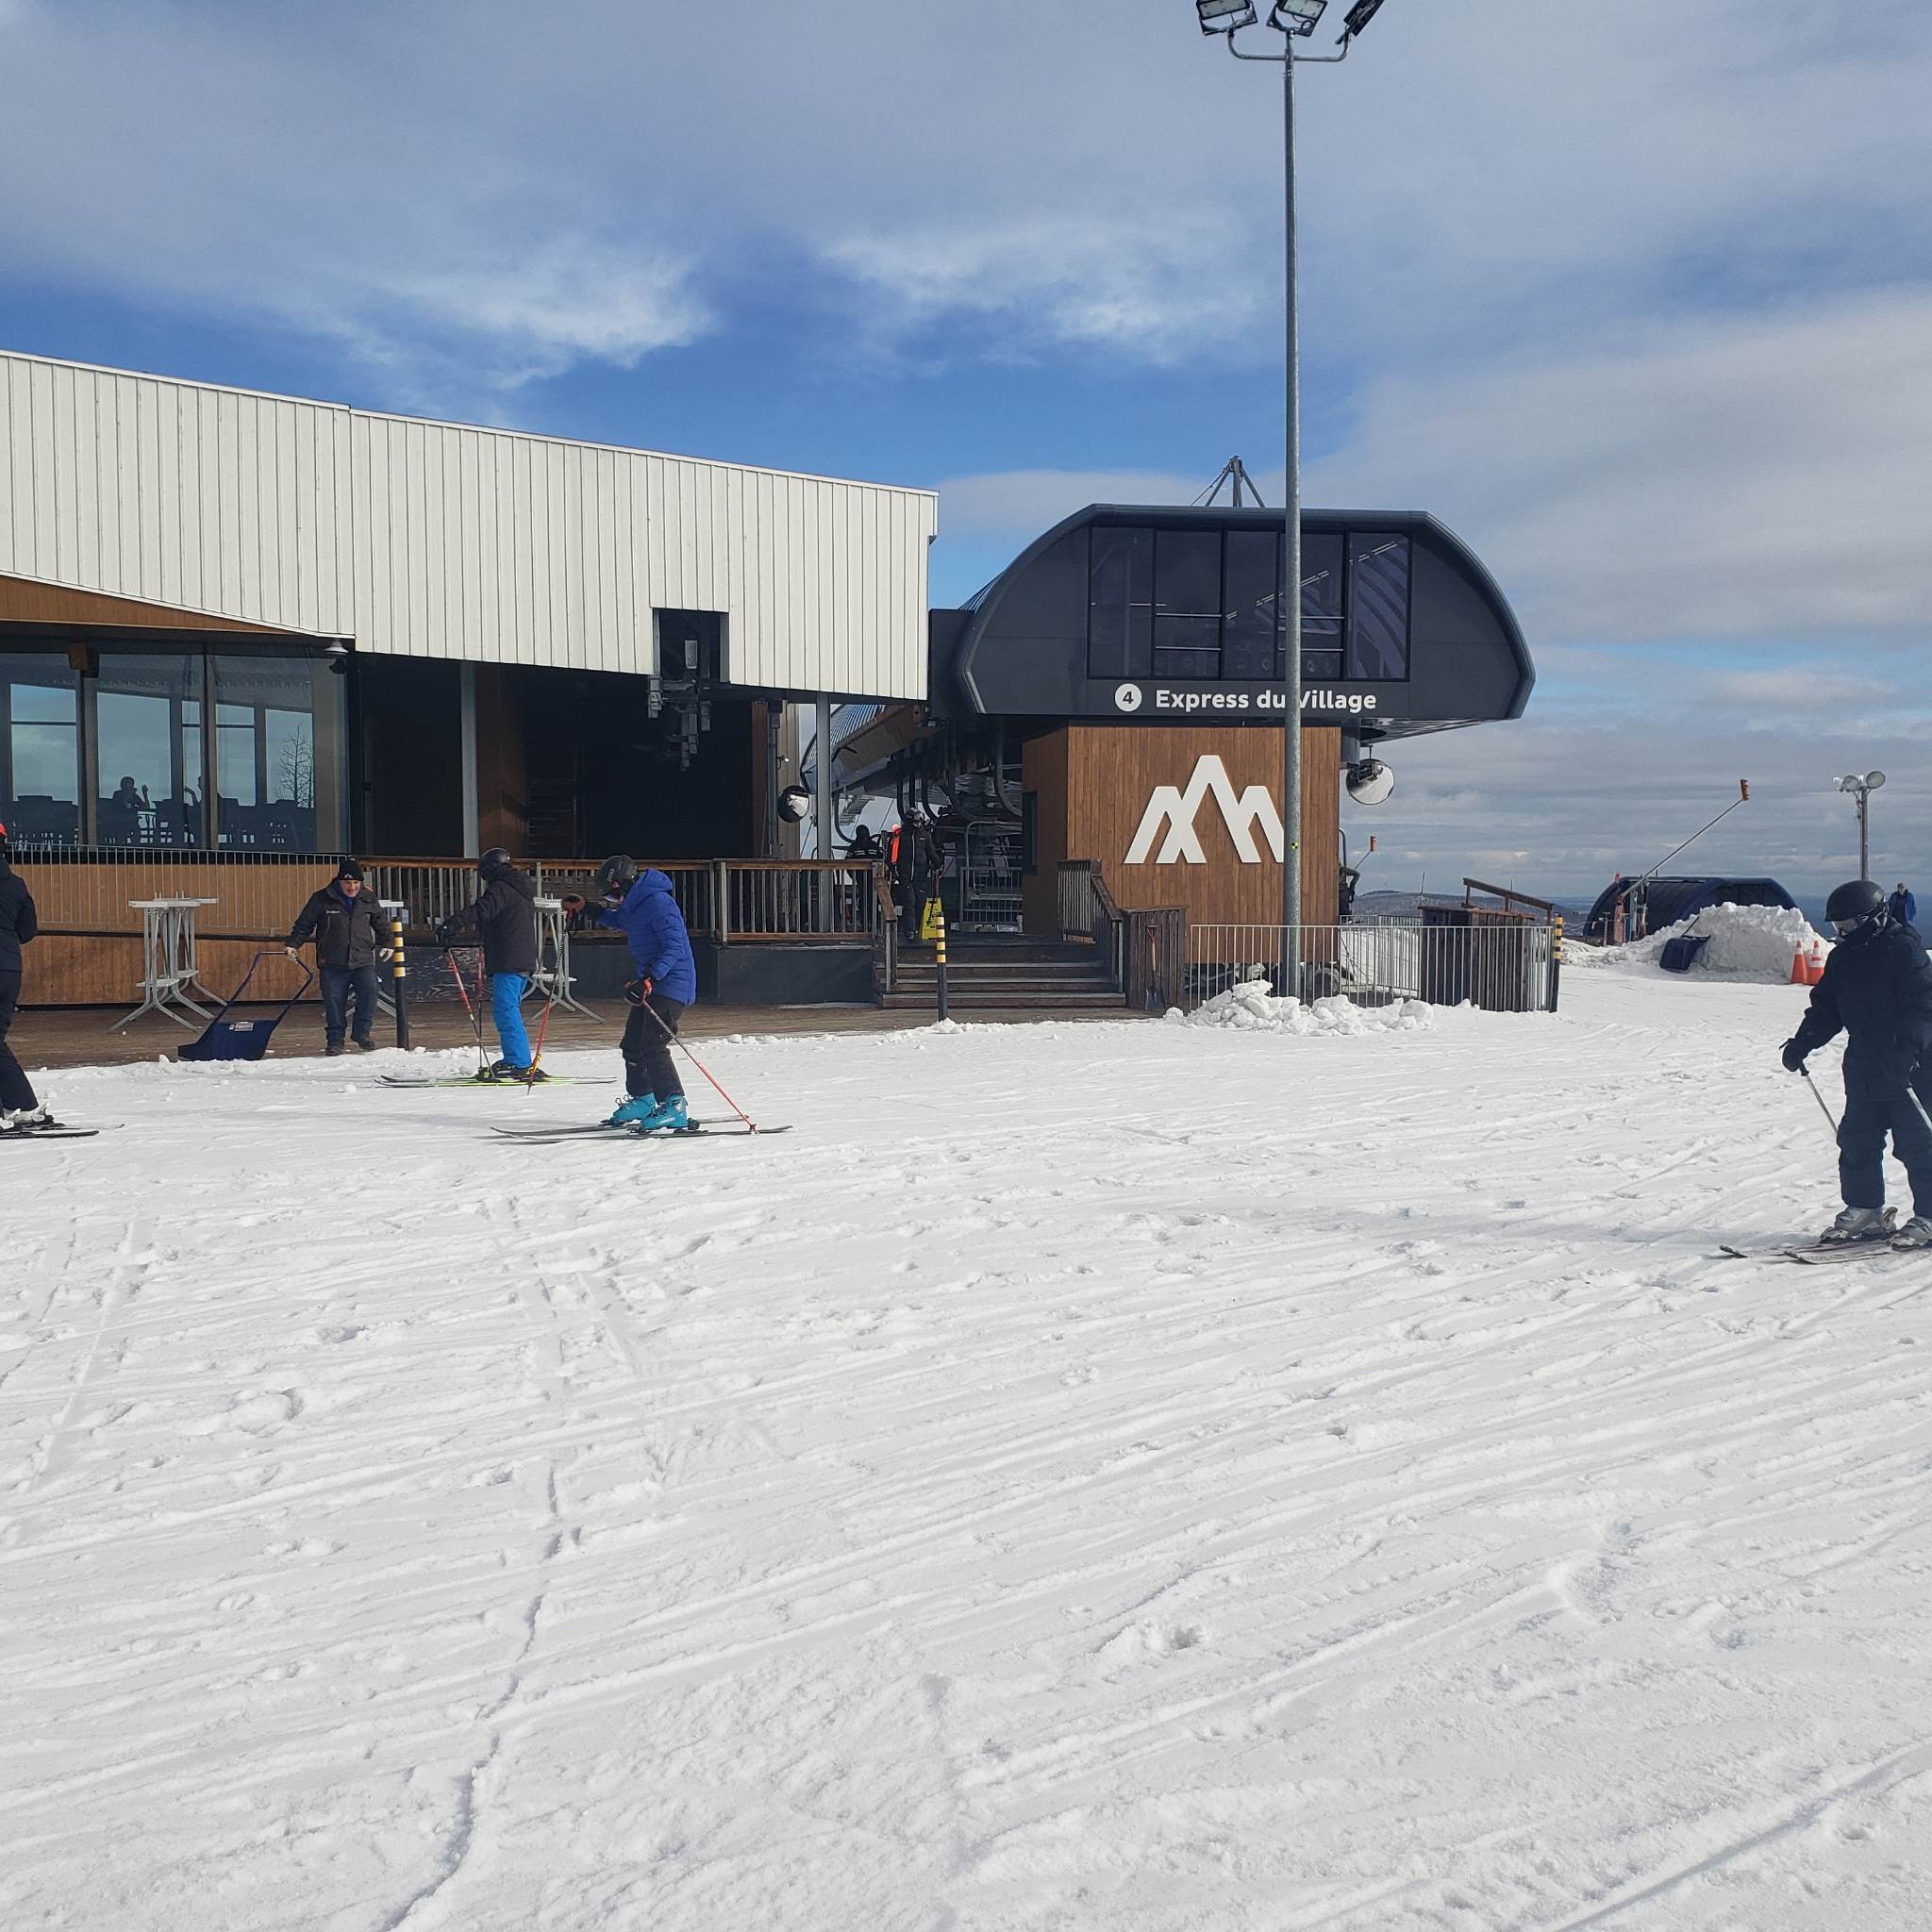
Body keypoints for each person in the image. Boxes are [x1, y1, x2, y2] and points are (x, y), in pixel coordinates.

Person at [1782, 877, 1932, 1248]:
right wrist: (1803, 1043)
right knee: (1856, 1140)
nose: (1842, 933)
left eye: (1848, 926)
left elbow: (1924, 1008)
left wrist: (1907, 1053)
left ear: (1874, 919)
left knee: (1917, 1143)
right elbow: (1828, 1008)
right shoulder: (1844, 956)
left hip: (1910, 1066)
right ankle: (1865, 1210)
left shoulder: (1905, 950)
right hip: (1864, 1062)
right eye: (1837, 927)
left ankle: (1929, 1214)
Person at [565, 854, 697, 1131]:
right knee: (632, 1044)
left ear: (620, 885)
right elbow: (620, 921)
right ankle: (643, 1099)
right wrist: (587, 908)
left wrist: (651, 977)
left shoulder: (659, 902)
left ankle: (675, 1105)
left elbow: (674, 946)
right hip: (652, 983)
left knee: (653, 1045)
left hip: (671, 983)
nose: (615, 902)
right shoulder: (636, 903)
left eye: (613, 897)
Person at [436, 846, 541, 1081]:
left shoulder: (502, 889)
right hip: (517, 958)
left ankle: (519, 1061)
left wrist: (452, 924)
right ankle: (518, 1058)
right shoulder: (516, 888)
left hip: (510, 960)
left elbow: (481, 910)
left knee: (506, 1010)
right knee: (508, 1008)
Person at [286, 859, 391, 1056]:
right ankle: (335, 1041)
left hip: (362, 960)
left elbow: (381, 924)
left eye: (355, 883)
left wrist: (388, 943)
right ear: (339, 882)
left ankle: (361, 1033)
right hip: (332, 961)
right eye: (347, 883)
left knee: (370, 994)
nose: (351, 887)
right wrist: (293, 944)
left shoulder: (369, 899)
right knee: (334, 1003)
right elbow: (304, 924)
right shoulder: (321, 899)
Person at [0, 819, 58, 1132]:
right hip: (9, 968)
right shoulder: (16, 884)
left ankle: (22, 1106)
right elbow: (27, 931)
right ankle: (19, 1105)